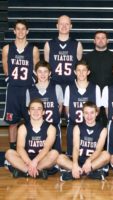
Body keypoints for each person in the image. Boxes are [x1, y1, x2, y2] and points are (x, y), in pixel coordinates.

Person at [2, 19, 40, 150]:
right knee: (12, 123)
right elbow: (5, 67)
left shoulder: (33, 49)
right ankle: (12, 150)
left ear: (27, 31)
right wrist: (9, 80)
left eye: (23, 28)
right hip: (13, 90)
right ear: (14, 31)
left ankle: (29, 149)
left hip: (28, 90)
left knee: (31, 122)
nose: (20, 31)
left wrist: (31, 83)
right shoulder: (7, 48)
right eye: (18, 28)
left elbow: (37, 69)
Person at [5, 98, 58, 179]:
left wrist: (35, 161)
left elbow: (46, 148)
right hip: (25, 160)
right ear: (29, 112)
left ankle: (25, 172)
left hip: (42, 159)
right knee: (9, 153)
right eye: (33, 109)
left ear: (43, 112)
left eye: (39, 109)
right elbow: (20, 148)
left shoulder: (51, 128)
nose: (36, 112)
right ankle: (35, 172)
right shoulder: (23, 128)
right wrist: (30, 163)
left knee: (54, 153)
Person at [57, 101, 110, 181]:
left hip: (93, 161)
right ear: (83, 114)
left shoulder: (103, 129)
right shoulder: (77, 128)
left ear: (96, 113)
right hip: (78, 161)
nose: (89, 116)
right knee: (59, 158)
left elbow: (98, 149)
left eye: (92, 113)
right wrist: (75, 164)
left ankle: (75, 173)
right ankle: (87, 171)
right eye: (86, 113)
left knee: (107, 155)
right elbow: (76, 148)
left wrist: (89, 160)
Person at [64, 60, 101, 155]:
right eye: (78, 70)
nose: (81, 73)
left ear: (88, 72)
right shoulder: (69, 88)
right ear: (75, 72)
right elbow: (67, 109)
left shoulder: (95, 88)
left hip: (90, 126)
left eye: (84, 70)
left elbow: (98, 109)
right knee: (71, 154)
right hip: (73, 124)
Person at [26, 60, 64, 153]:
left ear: (50, 73)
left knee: (56, 156)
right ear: (35, 73)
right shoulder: (30, 90)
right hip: (37, 129)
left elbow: (60, 108)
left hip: (53, 126)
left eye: (45, 71)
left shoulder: (57, 88)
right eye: (40, 71)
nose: (42, 74)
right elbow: (29, 110)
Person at [44, 15, 83, 92]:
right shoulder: (49, 44)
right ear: (57, 26)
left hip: (72, 85)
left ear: (71, 26)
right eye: (61, 24)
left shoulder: (77, 45)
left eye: (67, 24)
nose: (64, 26)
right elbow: (46, 66)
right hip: (53, 84)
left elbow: (79, 66)